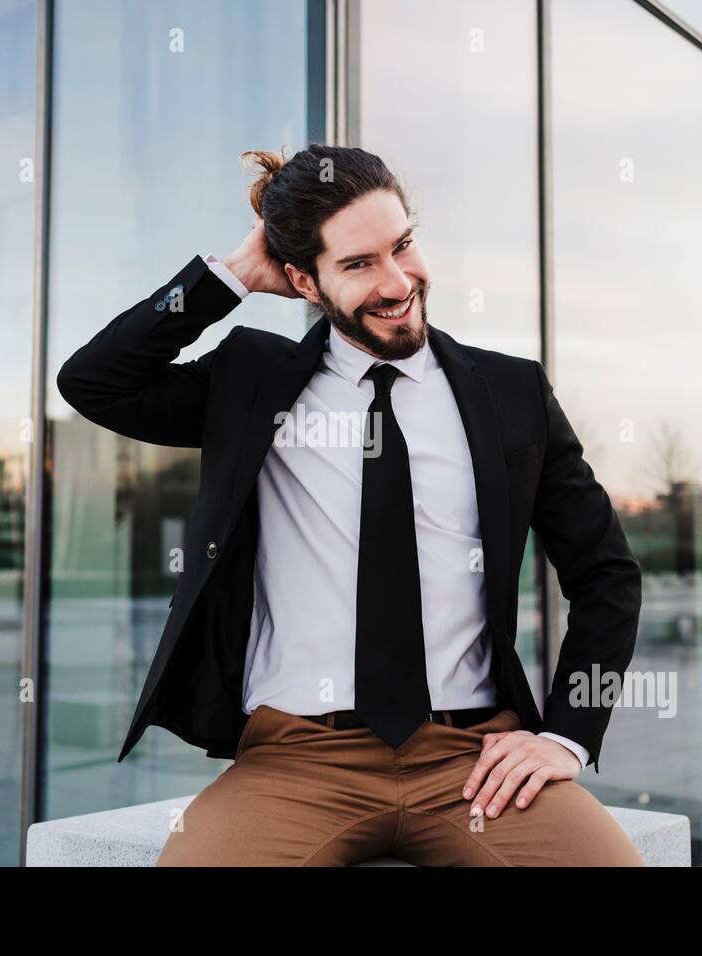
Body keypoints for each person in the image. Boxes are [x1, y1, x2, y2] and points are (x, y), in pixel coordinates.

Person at [56, 143, 645, 866]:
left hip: (475, 757)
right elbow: (95, 382)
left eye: (402, 246)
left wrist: (567, 735)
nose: (399, 281)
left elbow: (606, 574)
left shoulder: (511, 393)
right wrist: (232, 277)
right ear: (304, 279)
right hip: (295, 759)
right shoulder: (251, 382)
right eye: (360, 264)